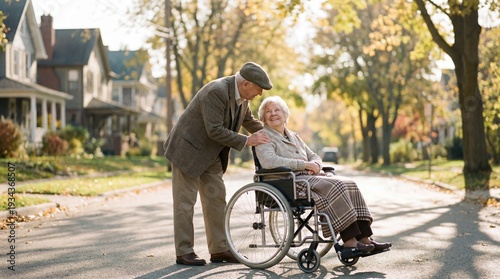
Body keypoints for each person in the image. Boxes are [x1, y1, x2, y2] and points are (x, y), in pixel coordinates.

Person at [164, 62, 273, 266]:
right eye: (259, 89)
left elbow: (248, 121)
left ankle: (220, 249)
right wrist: (247, 141)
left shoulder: (243, 97)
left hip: (212, 154)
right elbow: (214, 129)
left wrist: (277, 134)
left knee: (216, 199)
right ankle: (184, 252)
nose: (260, 94)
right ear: (246, 84)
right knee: (185, 204)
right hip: (187, 151)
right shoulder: (217, 91)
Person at [254, 96, 391, 254]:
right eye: (268, 112)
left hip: (306, 178)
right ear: (263, 117)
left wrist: (317, 166)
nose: (273, 114)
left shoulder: (294, 136)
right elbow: (270, 161)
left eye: (277, 110)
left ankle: (365, 238)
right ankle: (350, 241)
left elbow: (314, 156)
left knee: (349, 183)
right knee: (335, 186)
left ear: (285, 114)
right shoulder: (262, 136)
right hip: (286, 182)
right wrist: (304, 165)